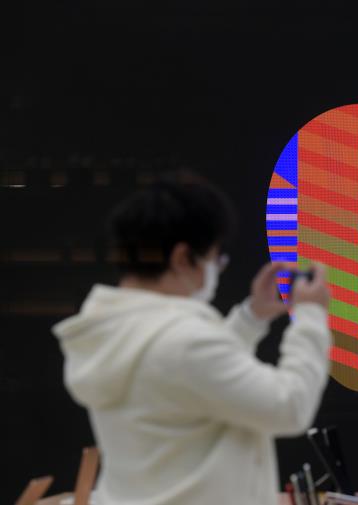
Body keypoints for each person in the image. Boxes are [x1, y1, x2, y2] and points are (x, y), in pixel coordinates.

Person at [51, 172, 332, 505]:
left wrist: (251, 317)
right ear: (183, 258)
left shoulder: (113, 332)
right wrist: (311, 315)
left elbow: (194, 374)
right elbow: (289, 406)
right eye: (214, 258)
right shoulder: (184, 342)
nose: (216, 269)